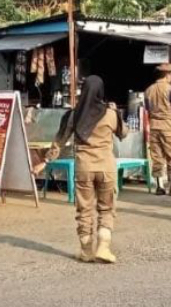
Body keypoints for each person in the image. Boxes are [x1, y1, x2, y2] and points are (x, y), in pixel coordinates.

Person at [36, 75, 126, 262]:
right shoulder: (110, 113)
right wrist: (117, 113)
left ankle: (86, 251)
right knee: (107, 208)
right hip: (106, 167)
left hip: (84, 167)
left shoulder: (73, 115)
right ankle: (103, 247)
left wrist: (45, 161)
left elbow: (59, 141)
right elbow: (123, 133)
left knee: (84, 210)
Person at [144, 62, 171, 196]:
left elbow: (147, 109)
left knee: (157, 157)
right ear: (167, 74)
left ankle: (159, 187)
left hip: (154, 127)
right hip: (168, 126)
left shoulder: (148, 90)